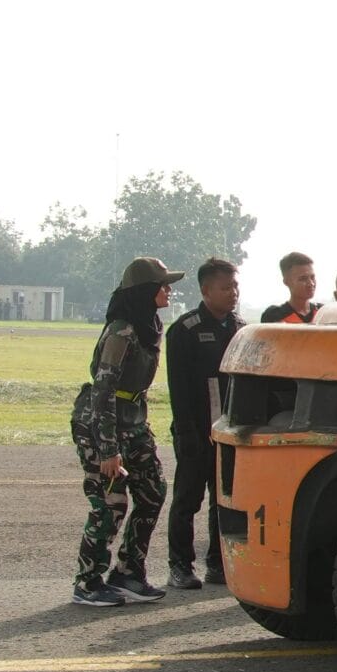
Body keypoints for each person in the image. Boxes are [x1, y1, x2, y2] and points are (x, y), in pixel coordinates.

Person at [69, 257, 183, 607]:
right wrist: (108, 450)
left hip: (134, 421)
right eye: (162, 285)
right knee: (110, 504)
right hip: (103, 425)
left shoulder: (147, 325)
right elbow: (104, 391)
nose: (168, 290)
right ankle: (87, 583)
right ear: (146, 291)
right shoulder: (122, 330)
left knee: (152, 492)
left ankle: (128, 573)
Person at [163, 258, 244, 590]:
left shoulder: (240, 329)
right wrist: (187, 432)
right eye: (226, 288)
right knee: (187, 500)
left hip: (229, 432)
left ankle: (218, 564)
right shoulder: (186, 330)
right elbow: (178, 390)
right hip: (196, 431)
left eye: (236, 286)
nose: (233, 293)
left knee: (223, 502)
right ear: (205, 290)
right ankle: (180, 566)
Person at [261, 252, 320, 324]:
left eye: (312, 277)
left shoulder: (322, 313)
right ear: (286, 282)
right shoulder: (274, 316)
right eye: (303, 279)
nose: (311, 283)